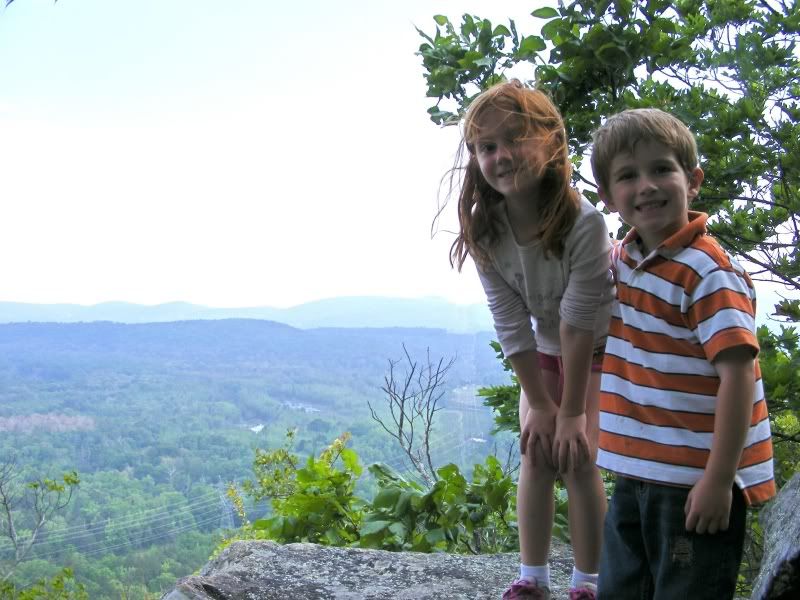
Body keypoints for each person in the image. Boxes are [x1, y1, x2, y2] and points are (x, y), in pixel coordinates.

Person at [590, 108, 777, 599]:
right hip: (635, 472)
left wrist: (719, 481)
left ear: (691, 181)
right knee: (620, 589)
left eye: (661, 169)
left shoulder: (707, 273)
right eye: (628, 176)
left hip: (695, 481)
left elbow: (739, 377)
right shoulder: (623, 260)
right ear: (609, 198)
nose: (646, 185)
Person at [442, 79, 614, 600]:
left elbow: (580, 322)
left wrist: (571, 413)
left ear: (551, 142)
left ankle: (588, 583)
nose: (501, 155)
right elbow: (510, 322)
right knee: (536, 455)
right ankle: (532, 579)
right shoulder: (486, 229)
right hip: (542, 353)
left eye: (515, 138)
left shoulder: (583, 223)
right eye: (486, 147)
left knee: (580, 458)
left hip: (596, 353)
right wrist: (541, 404)